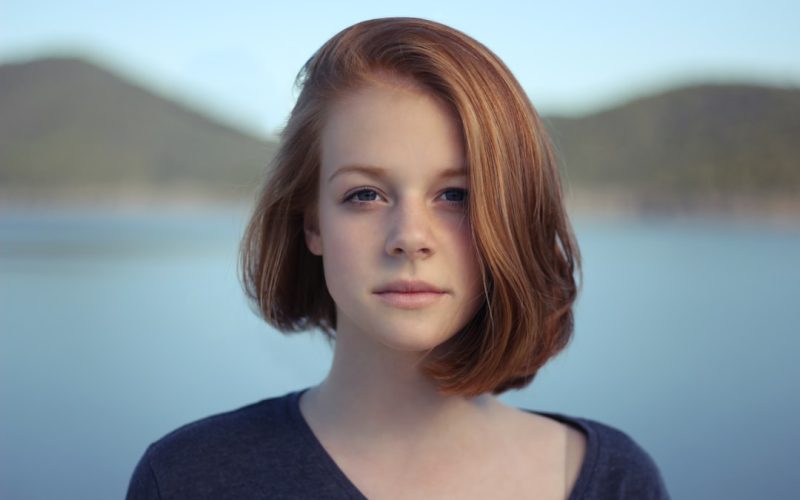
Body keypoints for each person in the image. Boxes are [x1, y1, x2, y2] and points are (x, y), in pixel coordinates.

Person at [127, 17, 669, 499]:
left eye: (456, 195)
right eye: (365, 194)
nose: (410, 237)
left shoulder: (613, 481)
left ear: (510, 216)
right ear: (312, 222)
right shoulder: (187, 478)